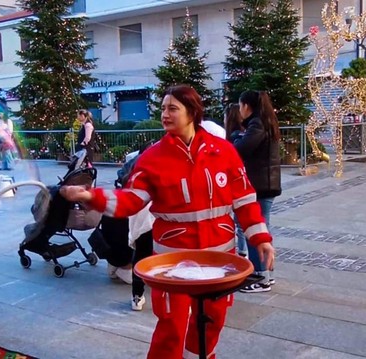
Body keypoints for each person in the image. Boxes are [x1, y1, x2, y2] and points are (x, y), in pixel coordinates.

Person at [60, 84, 275, 359]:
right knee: (171, 324)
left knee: (213, 320)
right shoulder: (152, 159)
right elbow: (131, 201)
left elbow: (245, 200)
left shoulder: (224, 152)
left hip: (219, 258)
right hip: (172, 262)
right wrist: (92, 197)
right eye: (163, 108)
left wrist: (261, 239)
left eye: (172, 108)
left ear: (193, 112)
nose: (165, 114)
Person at [233, 90, 281, 293]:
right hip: (266, 184)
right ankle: (263, 274)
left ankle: (262, 277)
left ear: (246, 106)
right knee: (260, 229)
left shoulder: (257, 123)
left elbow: (241, 149)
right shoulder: (265, 121)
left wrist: (235, 137)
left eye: (240, 105)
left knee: (256, 230)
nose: (239, 110)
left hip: (260, 185)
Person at [223, 104, 248, 257]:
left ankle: (242, 251)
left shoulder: (233, 138)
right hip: (243, 180)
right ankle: (243, 251)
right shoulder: (245, 134)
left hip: (235, 182)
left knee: (238, 220)